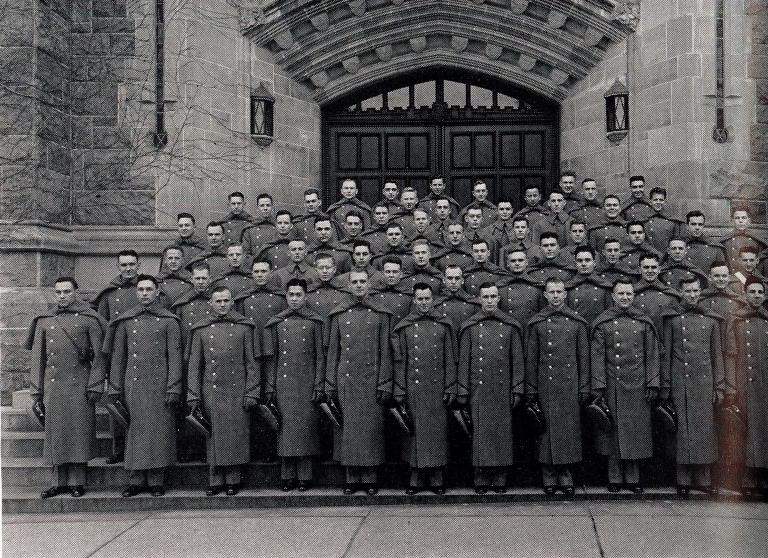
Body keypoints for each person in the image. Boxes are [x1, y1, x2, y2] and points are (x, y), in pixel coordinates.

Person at [27, 277, 107, 499]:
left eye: (67, 292)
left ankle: (77, 482)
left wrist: (96, 384)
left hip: (80, 385)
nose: (62, 296)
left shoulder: (90, 319)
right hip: (53, 386)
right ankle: (58, 482)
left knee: (78, 433)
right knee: (56, 435)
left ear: (76, 293)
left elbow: (100, 356)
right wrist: (36, 390)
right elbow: (38, 358)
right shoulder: (45, 320)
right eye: (59, 292)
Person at [106, 275, 182, 497]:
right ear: (136, 292)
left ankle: (157, 480)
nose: (145, 293)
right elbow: (119, 357)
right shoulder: (126, 321)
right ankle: (136, 480)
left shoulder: (169, 321)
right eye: (141, 289)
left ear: (157, 292)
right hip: (134, 384)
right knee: (136, 432)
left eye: (149, 289)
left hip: (160, 385)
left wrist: (174, 387)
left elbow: (175, 357)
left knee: (158, 432)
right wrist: (115, 387)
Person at [325, 270, 394, 495]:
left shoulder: (381, 314)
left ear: (369, 284)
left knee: (371, 431)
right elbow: (333, 353)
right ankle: (351, 478)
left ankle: (370, 478)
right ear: (348, 285)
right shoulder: (339, 315)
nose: (358, 285)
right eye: (354, 282)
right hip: (346, 381)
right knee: (348, 431)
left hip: (371, 380)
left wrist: (385, 382)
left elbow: (386, 352)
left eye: (362, 281)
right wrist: (330, 383)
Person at [187, 286, 260, 496]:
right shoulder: (201, 329)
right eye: (218, 301)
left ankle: (233, 480)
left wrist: (252, 392)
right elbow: (195, 366)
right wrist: (193, 394)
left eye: (226, 301)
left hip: (237, 391)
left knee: (234, 436)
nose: (222, 305)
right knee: (214, 436)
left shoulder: (245, 328)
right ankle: (215, 480)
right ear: (210, 303)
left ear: (232, 302)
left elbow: (252, 364)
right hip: (211, 390)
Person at [591, 279, 661, 493]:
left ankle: (633, 478)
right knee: (613, 432)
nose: (625, 297)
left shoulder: (643, 322)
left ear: (634, 296)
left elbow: (652, 355)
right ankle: (614, 478)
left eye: (629, 294)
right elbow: (597, 357)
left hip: (638, 385)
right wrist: (599, 386)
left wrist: (653, 382)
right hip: (613, 384)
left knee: (635, 432)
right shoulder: (603, 323)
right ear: (613, 296)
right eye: (620, 294)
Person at [660, 275, 727, 497]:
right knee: (683, 431)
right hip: (680, 382)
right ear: (680, 293)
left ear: (700, 292)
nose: (692, 295)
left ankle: (704, 479)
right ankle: (683, 479)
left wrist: (719, 386)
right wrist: (666, 385)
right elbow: (667, 355)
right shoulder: (671, 320)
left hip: (704, 383)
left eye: (695, 291)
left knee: (704, 430)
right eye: (687, 291)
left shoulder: (711, 320)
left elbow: (717, 356)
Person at [458, 282, 525, 494]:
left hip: (502, 389)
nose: (489, 301)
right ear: (479, 299)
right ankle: (481, 477)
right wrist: (463, 389)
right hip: (478, 389)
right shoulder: (470, 327)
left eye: (493, 296)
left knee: (501, 433)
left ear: (499, 299)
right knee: (480, 434)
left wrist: (517, 388)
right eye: (485, 297)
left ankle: (500, 477)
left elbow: (517, 361)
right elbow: (464, 361)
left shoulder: (510, 327)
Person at [525, 278, 590, 496]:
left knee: (567, 430)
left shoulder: (577, 323)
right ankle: (548, 474)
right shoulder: (537, 323)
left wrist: (584, 386)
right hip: (545, 385)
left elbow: (583, 359)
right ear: (545, 295)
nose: (555, 296)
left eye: (559, 292)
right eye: (551, 292)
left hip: (569, 385)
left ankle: (565, 473)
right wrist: (531, 388)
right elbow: (532, 359)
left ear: (565, 294)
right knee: (546, 432)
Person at [392, 283, 458, 495]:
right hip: (413, 388)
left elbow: (450, 359)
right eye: (419, 299)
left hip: (437, 389)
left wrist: (451, 386)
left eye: (427, 299)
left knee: (436, 434)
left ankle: (437, 479)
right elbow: (400, 362)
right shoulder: (405, 327)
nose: (423, 303)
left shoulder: (443, 325)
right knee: (414, 435)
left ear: (433, 300)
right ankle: (416, 479)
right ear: (413, 300)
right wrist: (400, 388)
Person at [262, 279, 326, 492]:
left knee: (305, 430)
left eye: (299, 295)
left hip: (307, 384)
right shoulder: (277, 323)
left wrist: (319, 384)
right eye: (291, 295)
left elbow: (320, 357)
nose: (295, 299)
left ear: (305, 296)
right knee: (286, 430)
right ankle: (287, 476)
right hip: (284, 384)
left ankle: (305, 476)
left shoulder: (315, 322)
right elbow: (273, 358)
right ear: (286, 296)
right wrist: (270, 386)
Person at [91, 249, 142, 464]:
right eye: (124, 265)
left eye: (132, 264)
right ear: (118, 267)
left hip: (143, 352)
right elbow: (101, 325)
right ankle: (119, 447)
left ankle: (139, 446)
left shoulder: (146, 288)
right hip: (118, 354)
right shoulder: (109, 294)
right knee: (116, 396)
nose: (128, 269)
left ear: (138, 265)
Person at [724, 278, 768, 501]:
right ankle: (747, 480)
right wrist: (731, 387)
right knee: (747, 434)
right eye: (752, 292)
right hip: (745, 386)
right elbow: (730, 357)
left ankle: (764, 478)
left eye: (760, 292)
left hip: (765, 386)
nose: (756, 296)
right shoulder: (736, 320)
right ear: (745, 294)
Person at [564, 246, 613, 325]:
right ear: (575, 264)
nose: (583, 264)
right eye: (580, 261)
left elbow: (609, 316)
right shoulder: (568, 287)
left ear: (594, 263)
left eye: (587, 260)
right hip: (576, 329)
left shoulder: (605, 286)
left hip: (598, 328)